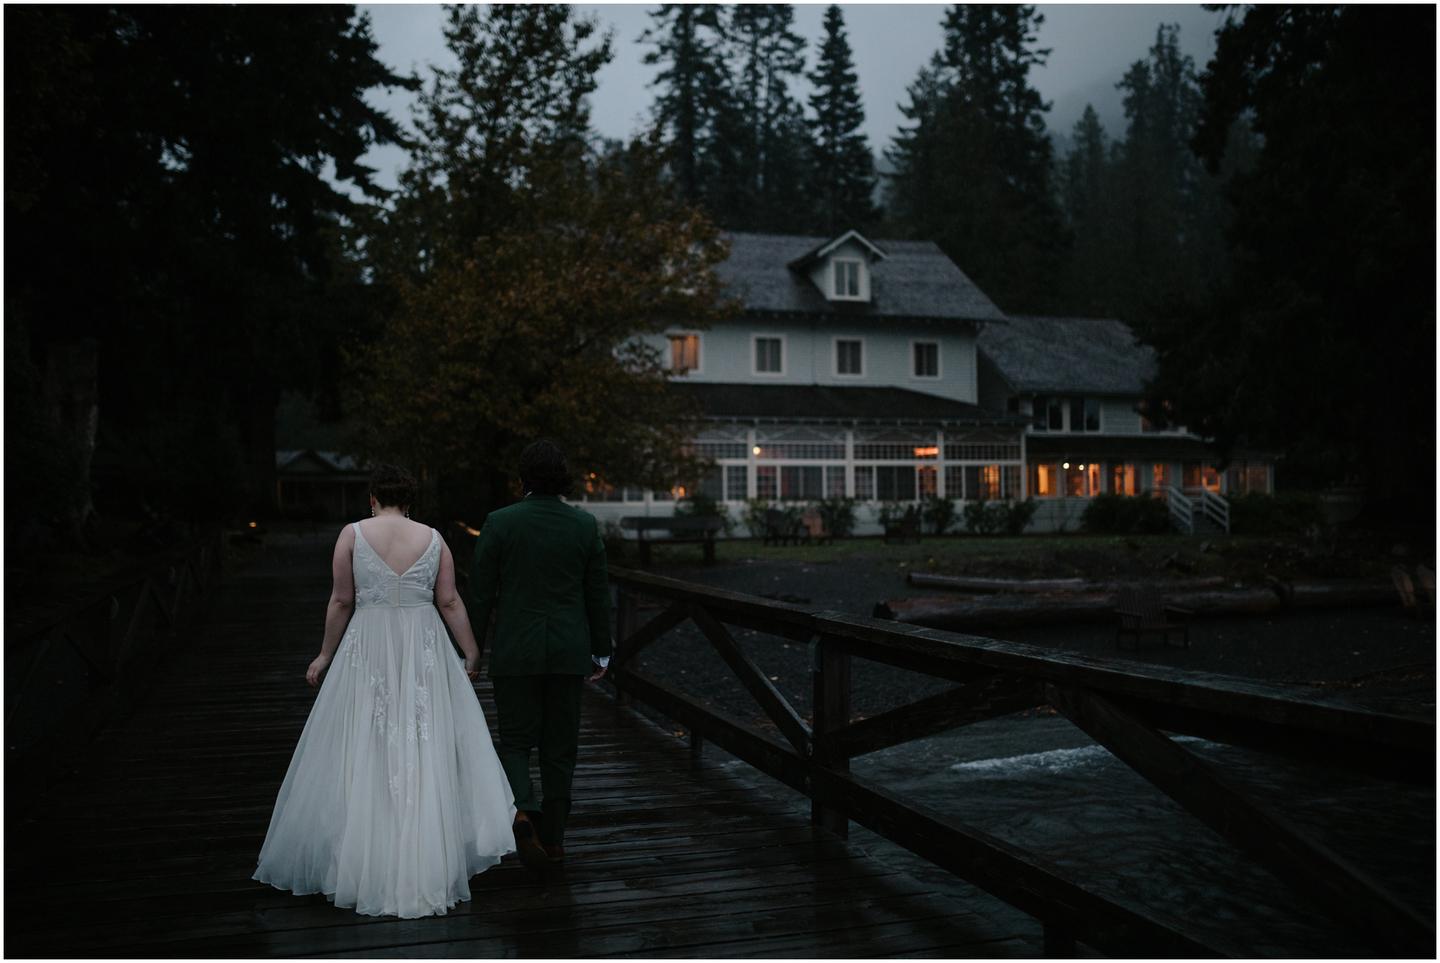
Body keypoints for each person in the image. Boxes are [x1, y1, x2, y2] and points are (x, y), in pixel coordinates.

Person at [253, 464, 515, 918]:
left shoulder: (352, 534)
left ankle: (361, 856)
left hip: (367, 645)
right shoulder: (433, 538)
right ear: (410, 502)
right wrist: (471, 652)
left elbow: (341, 600)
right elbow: (449, 600)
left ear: (373, 498)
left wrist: (324, 655)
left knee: (365, 741)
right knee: (422, 740)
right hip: (423, 644)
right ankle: (423, 855)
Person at [468, 439, 611, 868]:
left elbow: (480, 593)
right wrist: (602, 651)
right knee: (560, 745)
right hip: (568, 650)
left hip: (516, 649)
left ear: (523, 478)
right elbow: (597, 595)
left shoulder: (500, 523)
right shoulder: (583, 526)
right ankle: (555, 838)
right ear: (563, 478)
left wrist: (471, 650)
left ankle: (523, 811)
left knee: (515, 740)